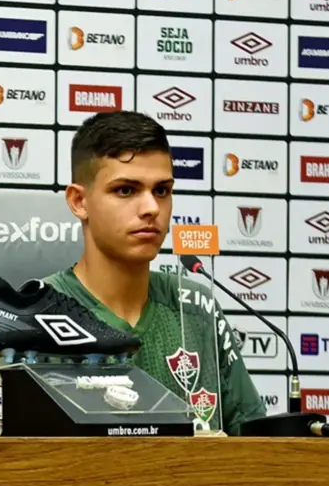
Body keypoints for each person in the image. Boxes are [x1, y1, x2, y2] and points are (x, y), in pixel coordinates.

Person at [42, 110, 265, 435]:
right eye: (126, 191)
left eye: (161, 190)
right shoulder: (35, 316)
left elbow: (257, 442)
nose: (151, 208)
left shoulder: (197, 306)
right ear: (79, 201)